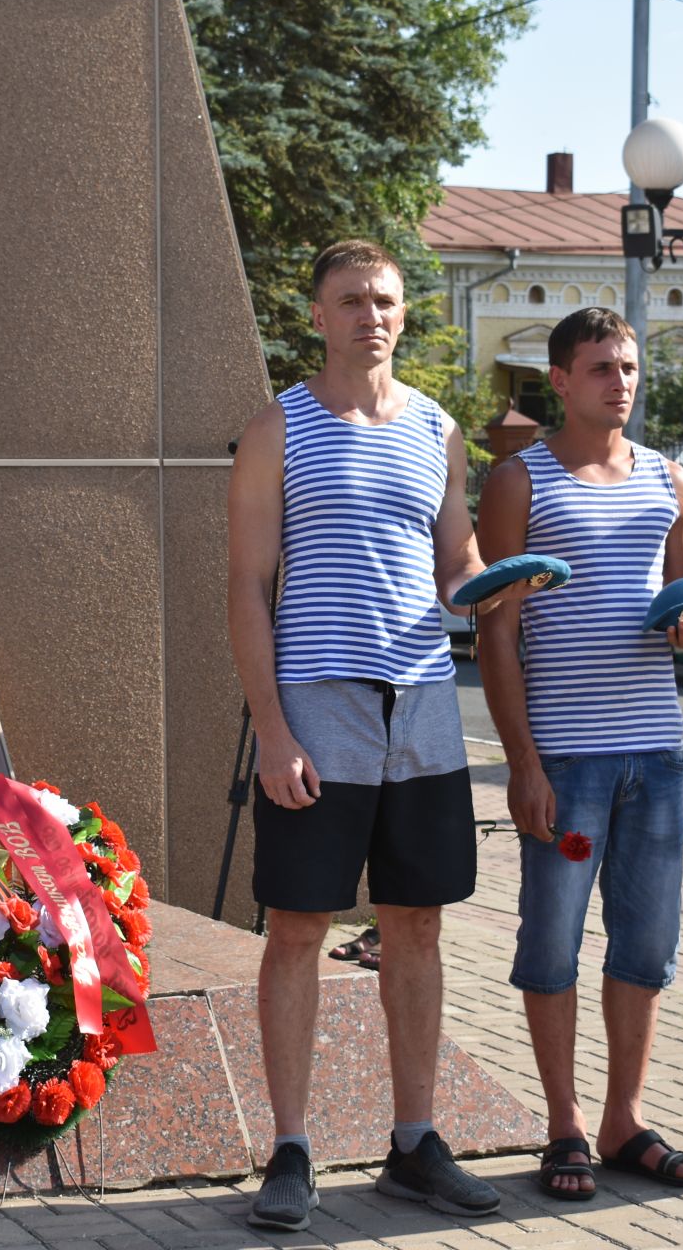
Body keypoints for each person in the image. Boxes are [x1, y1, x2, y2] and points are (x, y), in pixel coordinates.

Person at [226, 239, 510, 1232]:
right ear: (317, 315)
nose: (372, 316)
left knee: (417, 925)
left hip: (425, 701)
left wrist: (487, 585)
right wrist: (270, 725)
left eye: (385, 300)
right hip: (318, 704)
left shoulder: (436, 429)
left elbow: (455, 555)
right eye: (351, 300)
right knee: (299, 927)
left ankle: (413, 1139)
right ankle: (292, 1146)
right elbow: (246, 589)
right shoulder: (280, 428)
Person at [474, 307, 683, 1199]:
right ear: (563, 382)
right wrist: (522, 766)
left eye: (630, 365)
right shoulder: (519, 482)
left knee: (645, 943)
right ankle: (565, 1124)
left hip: (653, 759)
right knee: (553, 941)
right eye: (603, 367)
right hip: (567, 768)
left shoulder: (669, 480)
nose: (622, 380)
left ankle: (624, 1119)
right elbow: (497, 638)